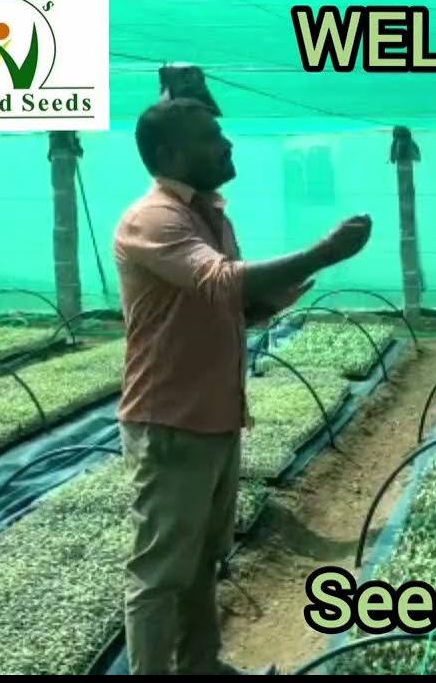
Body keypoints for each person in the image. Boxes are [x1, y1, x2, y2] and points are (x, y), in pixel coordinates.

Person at [113, 97, 373, 675]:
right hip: (169, 419)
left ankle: (201, 667)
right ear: (170, 153)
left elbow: (231, 304)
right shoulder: (153, 218)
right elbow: (220, 281)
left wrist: (278, 295)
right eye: (210, 136)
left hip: (216, 414)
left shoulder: (212, 217)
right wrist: (324, 252)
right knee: (160, 572)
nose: (226, 145)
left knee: (205, 558)